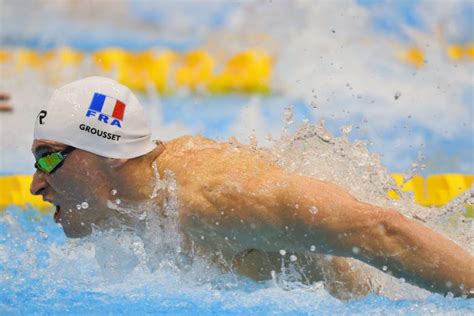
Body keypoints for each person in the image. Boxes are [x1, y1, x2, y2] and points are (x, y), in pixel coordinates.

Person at [30, 77, 473, 299]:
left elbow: (381, 230)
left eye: (48, 158)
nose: (35, 185)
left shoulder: (214, 199)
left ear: (109, 155)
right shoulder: (140, 205)